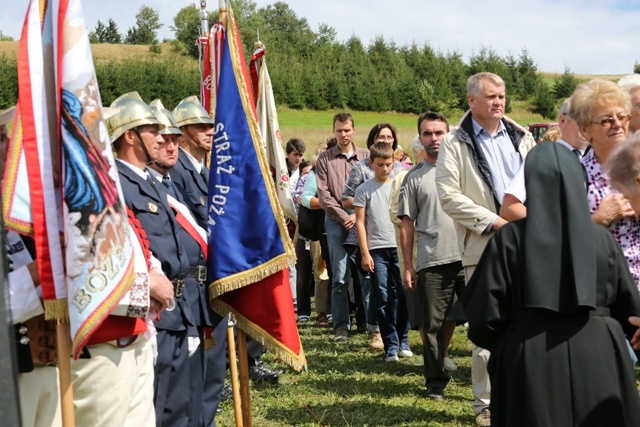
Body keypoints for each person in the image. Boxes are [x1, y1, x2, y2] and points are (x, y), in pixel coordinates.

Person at [463, 142, 640, 427]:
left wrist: (513, 343)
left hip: (530, 360)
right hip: (600, 358)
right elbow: (631, 311)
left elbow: (483, 318)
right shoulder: (602, 240)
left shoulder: (509, 240)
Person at [435, 72, 536, 426]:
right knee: (486, 328)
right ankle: (486, 406)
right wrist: (495, 222)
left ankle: (525, 398)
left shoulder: (522, 137)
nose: (498, 102)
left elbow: (537, 183)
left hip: (529, 243)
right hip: (485, 244)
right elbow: (449, 196)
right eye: (491, 96)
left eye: (502, 96)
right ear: (471, 101)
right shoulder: (454, 142)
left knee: (530, 321)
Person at [108, 92, 198, 427]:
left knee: (178, 403)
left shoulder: (150, 179)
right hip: (149, 306)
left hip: (174, 305)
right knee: (157, 407)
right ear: (130, 137)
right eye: (151, 130)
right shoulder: (119, 182)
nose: (162, 138)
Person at [167, 97, 227, 426]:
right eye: (199, 126)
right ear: (182, 132)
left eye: (209, 126)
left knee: (213, 370)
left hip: (212, 282)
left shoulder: (207, 172)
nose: (208, 132)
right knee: (193, 374)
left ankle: (207, 420)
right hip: (190, 286)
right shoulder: (175, 172)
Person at [398, 112, 464, 400]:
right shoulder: (413, 178)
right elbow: (406, 225)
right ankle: (435, 383)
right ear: (420, 138)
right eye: (428, 133)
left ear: (448, 134)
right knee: (433, 327)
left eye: (439, 133)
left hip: (470, 257)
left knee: (486, 322)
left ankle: (489, 383)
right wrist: (409, 265)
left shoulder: (465, 170)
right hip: (432, 260)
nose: (434, 139)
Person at [341, 122, 406, 348]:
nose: (385, 140)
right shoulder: (361, 168)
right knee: (375, 287)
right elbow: (347, 198)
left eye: (389, 137)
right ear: (373, 140)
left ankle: (399, 335)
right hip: (373, 234)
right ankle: (376, 330)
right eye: (381, 137)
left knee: (397, 288)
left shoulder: (400, 169)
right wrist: (365, 204)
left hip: (394, 236)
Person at [571, 79, 640, 288]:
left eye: (622, 117)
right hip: (603, 290)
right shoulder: (575, 174)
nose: (618, 124)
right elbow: (561, 239)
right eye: (606, 120)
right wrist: (598, 220)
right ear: (585, 130)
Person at [354, 142, 410, 362]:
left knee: (402, 294)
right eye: (379, 165)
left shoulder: (399, 186)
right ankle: (391, 345)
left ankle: (403, 339)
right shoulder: (363, 189)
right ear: (371, 164)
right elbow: (360, 223)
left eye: (388, 164)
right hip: (376, 249)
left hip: (398, 246)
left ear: (393, 163)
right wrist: (365, 253)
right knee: (383, 296)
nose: (384, 169)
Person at [316, 112, 369, 342]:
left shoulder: (366, 157)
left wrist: (356, 217)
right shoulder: (325, 159)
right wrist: (343, 217)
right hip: (336, 222)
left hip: (364, 221)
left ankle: (370, 322)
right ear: (333, 131)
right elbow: (324, 196)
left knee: (366, 273)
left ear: (353, 130)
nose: (343, 134)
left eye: (347, 130)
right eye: (339, 130)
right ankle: (341, 325)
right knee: (339, 275)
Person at [500, 96, 591, 221]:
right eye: (582, 119)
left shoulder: (599, 158)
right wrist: (554, 228)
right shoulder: (543, 158)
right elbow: (510, 208)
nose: (588, 126)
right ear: (563, 121)